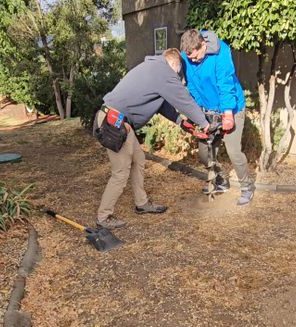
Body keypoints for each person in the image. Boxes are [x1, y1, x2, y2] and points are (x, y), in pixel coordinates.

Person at [93, 48, 210, 230]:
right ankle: (104, 216)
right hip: (113, 122)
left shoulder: (154, 70)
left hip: (123, 123)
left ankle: (142, 203)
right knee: (121, 172)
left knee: (138, 160)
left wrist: (186, 125)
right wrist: (204, 123)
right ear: (174, 64)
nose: (180, 76)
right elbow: (183, 99)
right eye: (179, 71)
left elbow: (165, 107)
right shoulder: (162, 70)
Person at [180, 29, 255, 205]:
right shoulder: (187, 55)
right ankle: (221, 180)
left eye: (195, 56)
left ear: (203, 45)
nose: (192, 60)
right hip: (208, 109)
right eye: (189, 58)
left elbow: (225, 83)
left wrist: (227, 114)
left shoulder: (221, 52)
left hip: (231, 107)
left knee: (233, 151)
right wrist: (198, 113)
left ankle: (247, 187)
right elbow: (191, 86)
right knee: (205, 153)